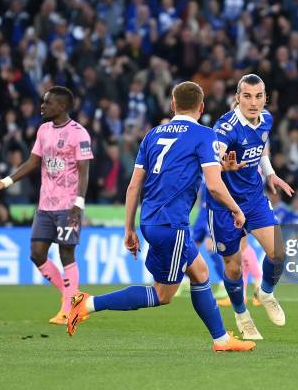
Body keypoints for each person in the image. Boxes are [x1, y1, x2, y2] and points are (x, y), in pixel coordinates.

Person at [66, 81, 255, 352]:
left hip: (151, 220)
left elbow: (134, 186)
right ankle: (87, 304)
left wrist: (128, 229)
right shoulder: (204, 135)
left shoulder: (153, 135)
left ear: (172, 105)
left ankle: (221, 339)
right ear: (201, 108)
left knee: (200, 272)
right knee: (162, 294)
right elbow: (213, 185)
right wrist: (237, 209)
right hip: (172, 223)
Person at [0, 86, 93, 325]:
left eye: (48, 103)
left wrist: (78, 203)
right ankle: (72, 298)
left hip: (67, 205)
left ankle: (69, 310)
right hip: (45, 205)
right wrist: (5, 181)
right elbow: (33, 162)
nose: (42, 106)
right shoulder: (43, 130)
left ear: (62, 106)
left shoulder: (79, 133)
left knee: (66, 253)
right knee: (37, 254)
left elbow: (84, 171)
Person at [207, 74, 294, 340]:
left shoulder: (266, 119)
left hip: (254, 199)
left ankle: (265, 292)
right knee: (233, 268)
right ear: (237, 97)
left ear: (265, 98)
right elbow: (212, 161)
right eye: (247, 96)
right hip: (224, 205)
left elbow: (262, 148)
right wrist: (224, 166)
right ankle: (242, 315)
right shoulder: (226, 127)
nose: (253, 102)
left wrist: (270, 174)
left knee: (278, 251)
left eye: (258, 96)